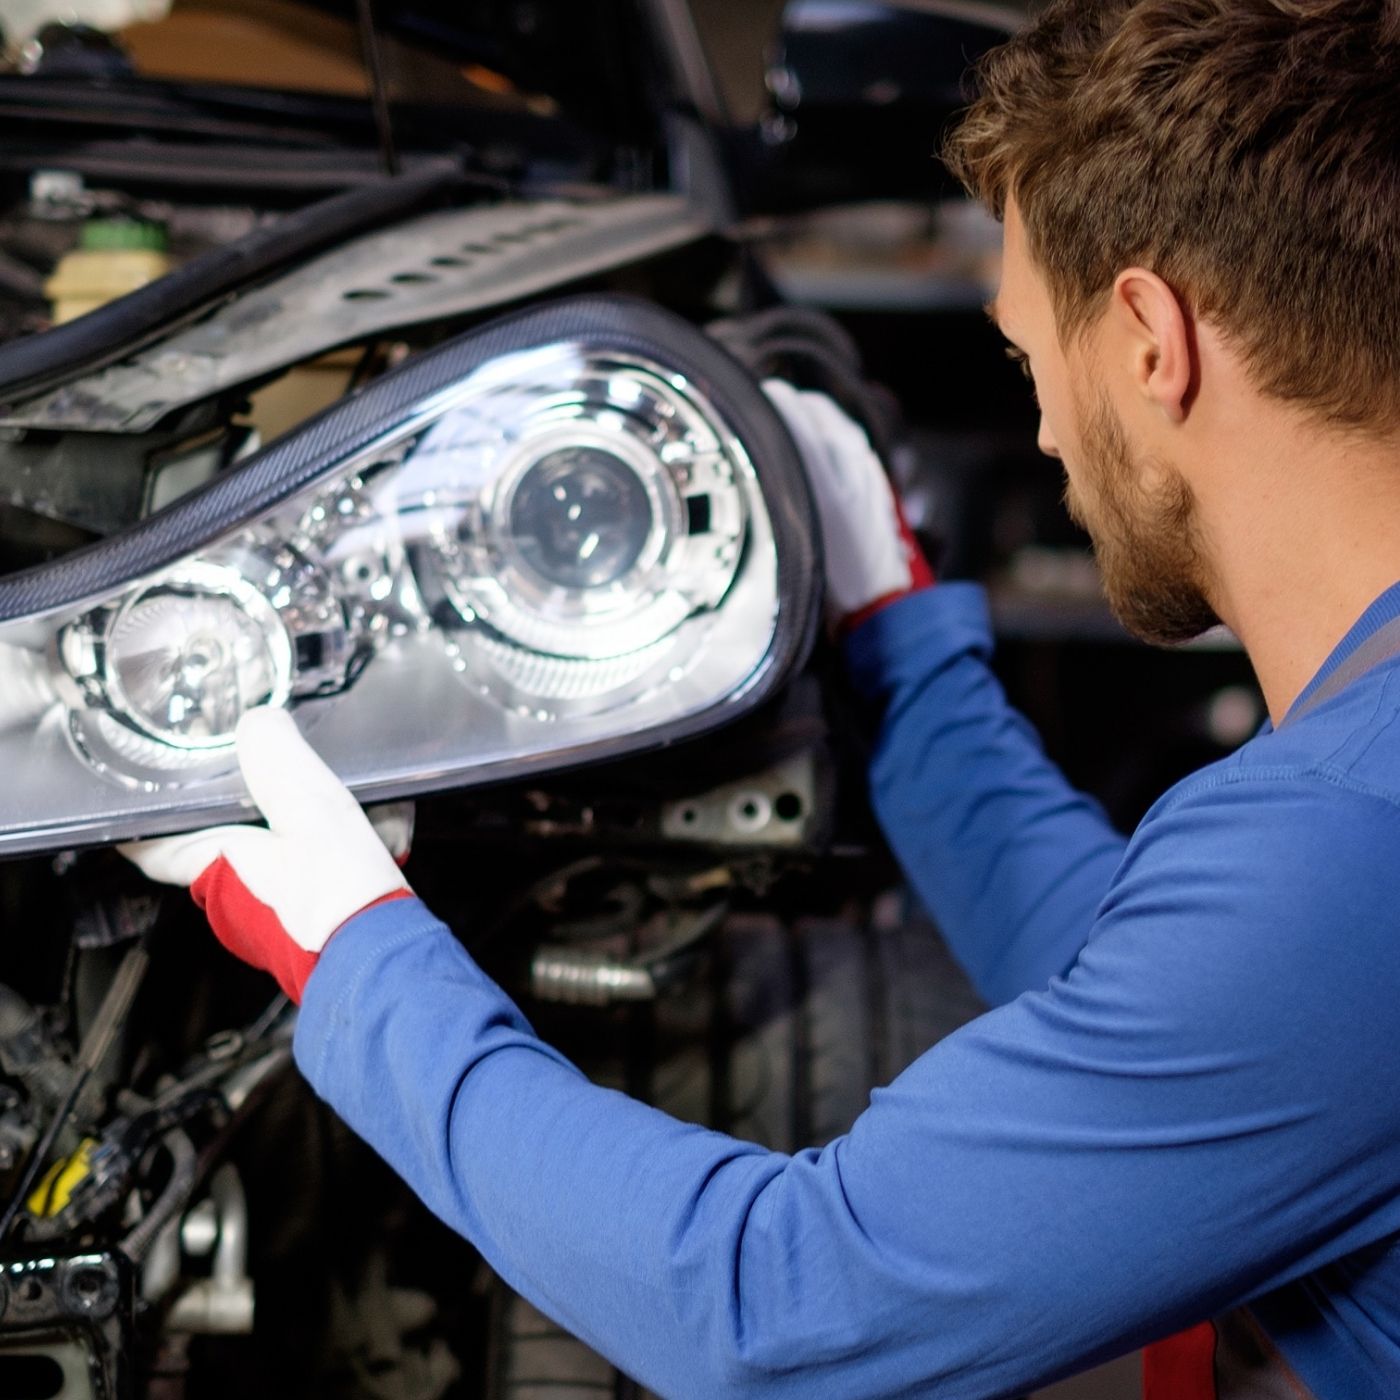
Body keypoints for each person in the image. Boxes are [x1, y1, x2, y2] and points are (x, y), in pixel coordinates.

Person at [124, 0, 1400, 1394]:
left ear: (1152, 340)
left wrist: (355, 959)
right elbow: (1165, 1008)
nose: (1041, 434)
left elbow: (780, 1308)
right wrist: (902, 653)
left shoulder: (1344, 845)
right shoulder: (1344, 822)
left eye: (1035, 363)